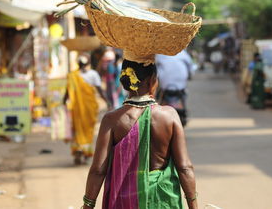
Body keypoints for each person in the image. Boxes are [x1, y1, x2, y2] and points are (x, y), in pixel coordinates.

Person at [81, 59, 198, 209]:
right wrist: (194, 205)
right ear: (152, 81)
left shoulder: (111, 120)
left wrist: (87, 205)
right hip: (163, 201)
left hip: (125, 202)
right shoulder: (170, 115)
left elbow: (98, 170)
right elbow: (184, 167)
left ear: (124, 81)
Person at [63, 54, 109, 165]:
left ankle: (78, 150)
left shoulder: (72, 75)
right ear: (88, 63)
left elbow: (67, 92)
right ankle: (85, 152)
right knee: (88, 129)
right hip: (89, 108)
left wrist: (63, 101)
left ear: (78, 63)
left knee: (78, 128)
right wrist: (108, 101)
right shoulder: (93, 74)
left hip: (76, 108)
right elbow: (100, 90)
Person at [156, 50, 194, 126]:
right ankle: (184, 112)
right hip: (180, 86)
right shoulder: (183, 53)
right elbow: (190, 67)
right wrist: (190, 75)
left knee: (158, 99)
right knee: (184, 95)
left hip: (164, 86)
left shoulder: (160, 53)